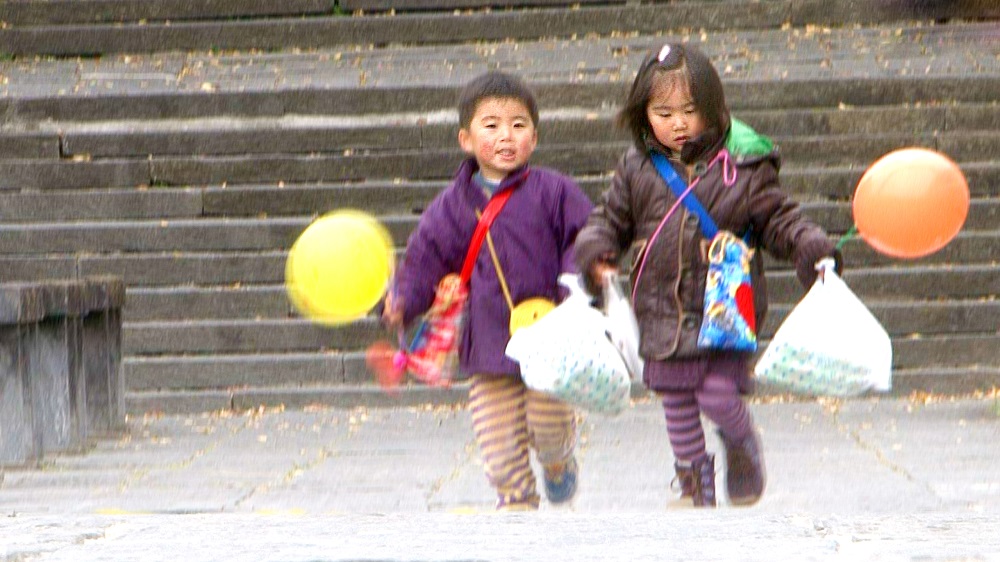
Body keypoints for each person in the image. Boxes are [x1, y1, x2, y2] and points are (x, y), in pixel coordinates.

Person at [574, 43, 842, 508]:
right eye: (664, 112)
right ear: (644, 113)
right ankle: (695, 483)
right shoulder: (636, 167)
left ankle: (741, 443)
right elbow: (608, 219)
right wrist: (596, 251)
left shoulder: (743, 167)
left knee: (718, 392)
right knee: (676, 400)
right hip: (662, 307)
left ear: (713, 109)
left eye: (690, 110)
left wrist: (810, 246)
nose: (678, 123)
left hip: (723, 309)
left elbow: (782, 220)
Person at [382, 71, 594, 511]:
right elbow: (424, 259)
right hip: (489, 346)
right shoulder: (451, 207)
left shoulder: (554, 192)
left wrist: (576, 284)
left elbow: (586, 237)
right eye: (491, 125)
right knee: (498, 451)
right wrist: (403, 301)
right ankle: (517, 508)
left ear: (533, 138)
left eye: (518, 125)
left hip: (550, 339)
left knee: (547, 423)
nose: (505, 136)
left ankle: (558, 461)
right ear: (466, 138)